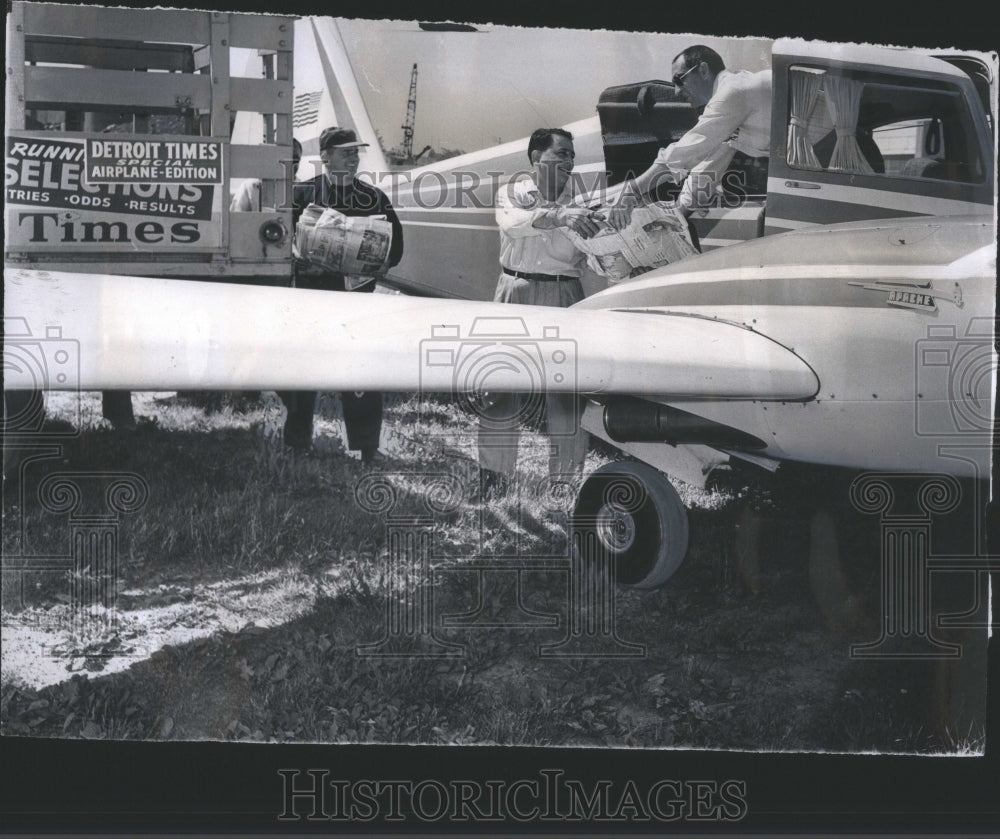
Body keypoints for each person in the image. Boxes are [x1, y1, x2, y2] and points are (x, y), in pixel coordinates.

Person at [478, 128, 602, 498]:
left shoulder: (584, 202)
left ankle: (564, 484)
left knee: (567, 394)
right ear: (536, 157)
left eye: (572, 155)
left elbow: (594, 258)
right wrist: (562, 216)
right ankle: (494, 480)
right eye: (561, 154)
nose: (569, 162)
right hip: (515, 291)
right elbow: (514, 224)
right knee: (501, 387)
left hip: (565, 295)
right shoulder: (511, 193)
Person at [280, 127, 403, 461]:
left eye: (356, 152)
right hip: (310, 298)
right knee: (302, 372)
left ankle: (367, 447)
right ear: (324, 156)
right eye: (345, 151)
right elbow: (278, 244)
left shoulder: (374, 198)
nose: (353, 157)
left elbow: (396, 251)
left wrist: (379, 263)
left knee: (361, 372)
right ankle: (298, 442)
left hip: (356, 301)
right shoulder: (301, 194)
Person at [610, 45, 771, 227]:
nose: (677, 91)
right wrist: (677, 215)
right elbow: (706, 169)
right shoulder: (730, 106)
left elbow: (684, 153)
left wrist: (632, 190)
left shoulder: (732, 92)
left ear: (703, 70)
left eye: (679, 80)